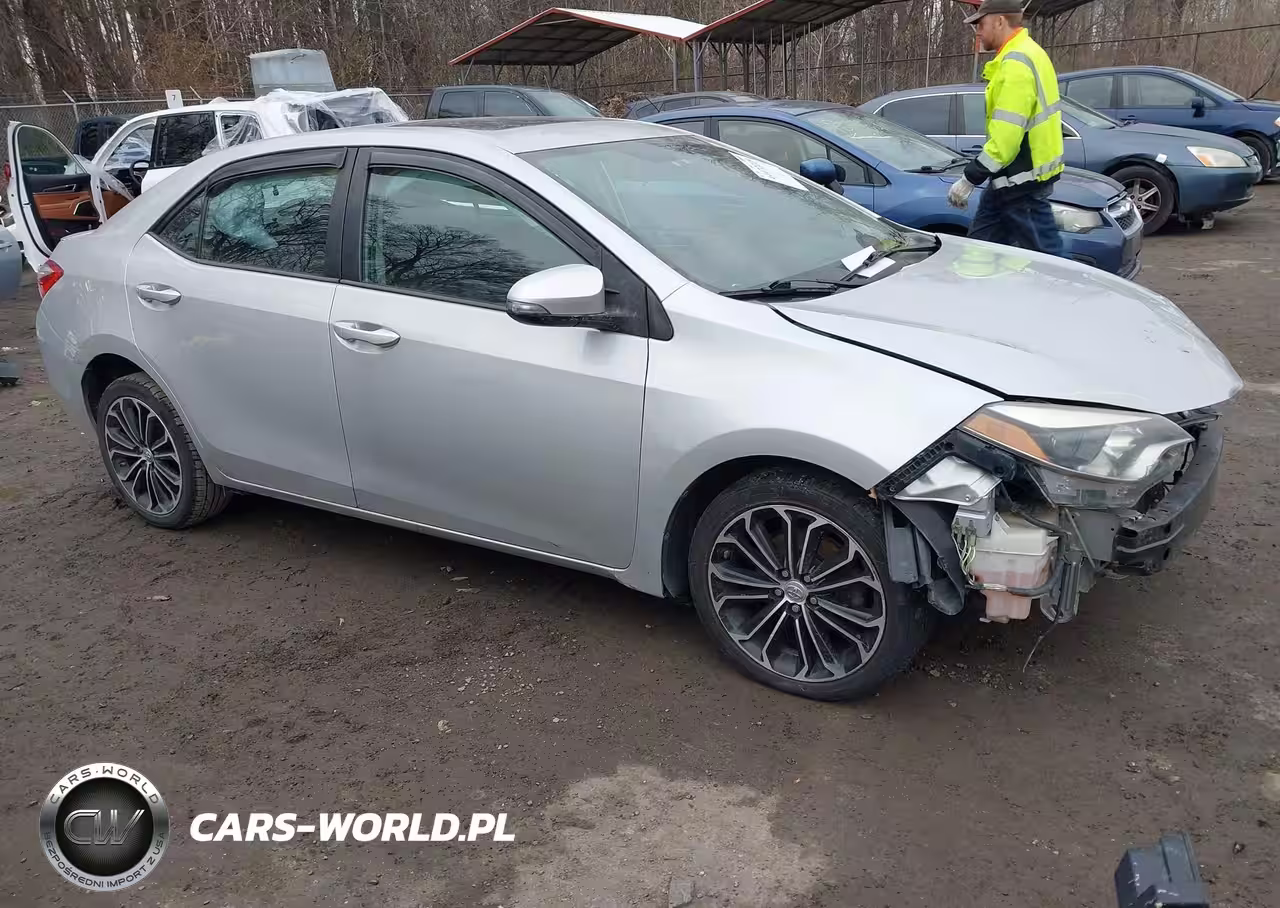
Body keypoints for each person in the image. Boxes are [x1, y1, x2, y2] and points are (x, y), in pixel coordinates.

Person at [947, 0, 1065, 257]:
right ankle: (974, 287)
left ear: (999, 21)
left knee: (1051, 263)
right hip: (1014, 179)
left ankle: (1069, 295)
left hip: (1022, 182)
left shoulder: (1015, 64)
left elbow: (1006, 138)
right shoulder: (1030, 51)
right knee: (979, 251)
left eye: (981, 24)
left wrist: (970, 178)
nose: (978, 31)